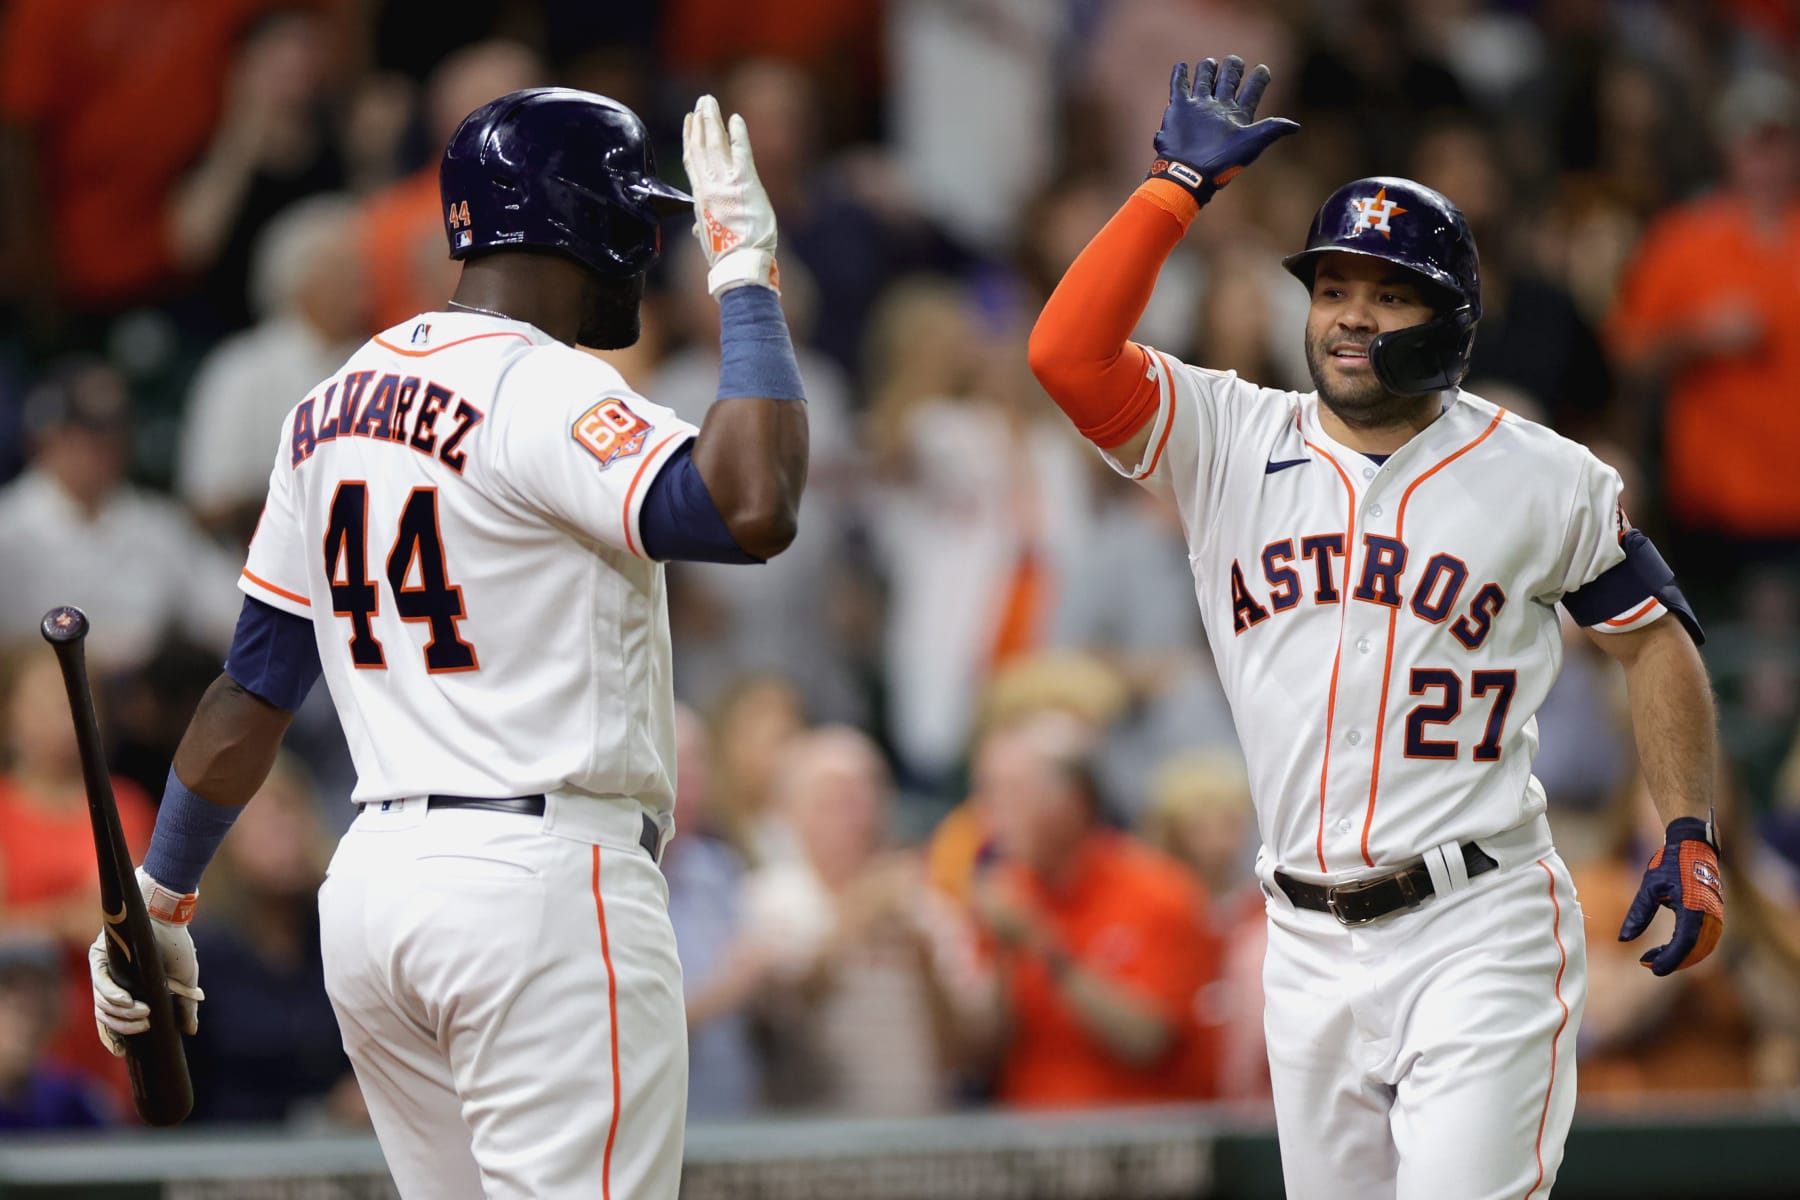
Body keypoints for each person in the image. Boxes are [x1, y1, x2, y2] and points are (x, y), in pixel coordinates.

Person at [87, 89, 807, 1199]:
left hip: (377, 893)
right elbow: (752, 506)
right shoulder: (543, 384)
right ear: (579, 220)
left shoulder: (328, 403)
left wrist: (163, 892)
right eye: (635, 214)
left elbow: (255, 685)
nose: (647, 243)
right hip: (540, 883)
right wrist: (746, 273)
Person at [1028, 54, 1723, 1199]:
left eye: (1388, 292)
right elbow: (1065, 355)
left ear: (1449, 318)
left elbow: (1654, 635)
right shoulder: (1228, 436)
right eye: (1333, 288)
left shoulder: (1543, 476)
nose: (1351, 317)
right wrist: (1170, 191)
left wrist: (1688, 826)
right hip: (1302, 938)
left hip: (1479, 921)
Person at [965, 714, 1218, 1107]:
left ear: (1072, 800)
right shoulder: (1007, 893)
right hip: (1029, 1144)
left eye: (1012, 794)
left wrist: (1044, 947)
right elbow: (986, 1050)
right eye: (987, 793)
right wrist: (1000, 955)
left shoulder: (1159, 892)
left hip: (1146, 1147)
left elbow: (1147, 1041)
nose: (990, 814)